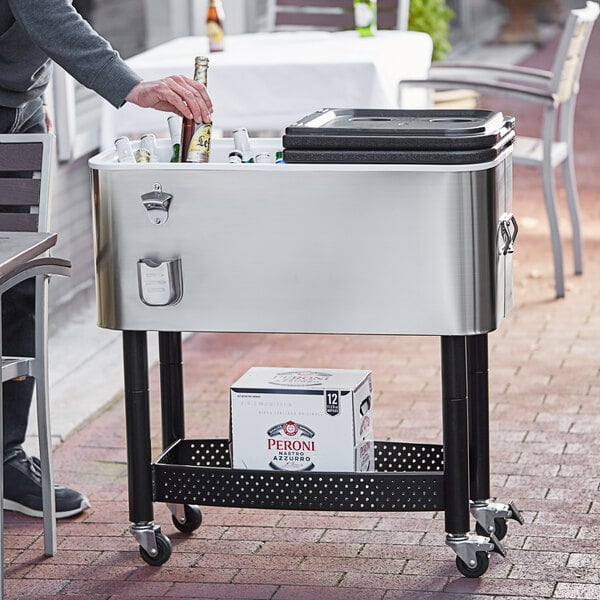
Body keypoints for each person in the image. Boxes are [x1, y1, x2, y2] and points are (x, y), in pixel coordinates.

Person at [0, 0, 213, 519]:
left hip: (17, 110)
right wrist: (131, 86)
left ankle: (5, 459)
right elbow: (46, 10)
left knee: (19, 289)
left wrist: (34, 92)